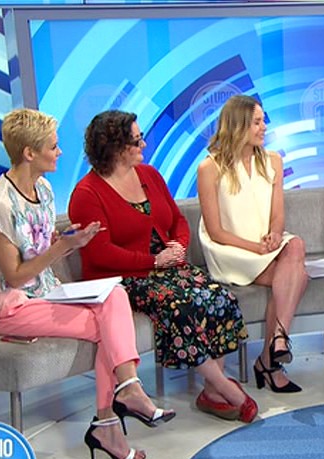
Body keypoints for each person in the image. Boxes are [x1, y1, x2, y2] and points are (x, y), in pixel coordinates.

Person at [0, 108, 167, 459]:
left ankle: (124, 398)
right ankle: (112, 416)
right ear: (29, 153)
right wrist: (62, 247)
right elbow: (14, 277)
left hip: (46, 291)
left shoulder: (44, 189)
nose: (60, 152)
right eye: (53, 146)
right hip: (11, 306)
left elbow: (41, 243)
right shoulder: (0, 205)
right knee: (108, 326)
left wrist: (70, 240)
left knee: (116, 295)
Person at [69, 110, 257, 423]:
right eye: (136, 140)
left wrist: (178, 246)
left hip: (169, 267)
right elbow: (101, 254)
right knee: (180, 306)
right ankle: (225, 386)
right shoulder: (87, 194)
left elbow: (177, 220)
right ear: (115, 147)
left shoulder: (150, 175)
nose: (143, 144)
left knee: (218, 296)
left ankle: (212, 392)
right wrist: (153, 261)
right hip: (125, 279)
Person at [197, 95, 309, 394]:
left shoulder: (272, 161)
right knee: (297, 276)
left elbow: (278, 215)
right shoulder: (210, 168)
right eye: (257, 122)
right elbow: (215, 231)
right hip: (230, 250)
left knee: (295, 245)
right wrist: (253, 248)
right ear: (238, 125)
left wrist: (275, 234)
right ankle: (270, 362)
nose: (264, 127)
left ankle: (277, 342)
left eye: (263, 120)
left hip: (265, 248)